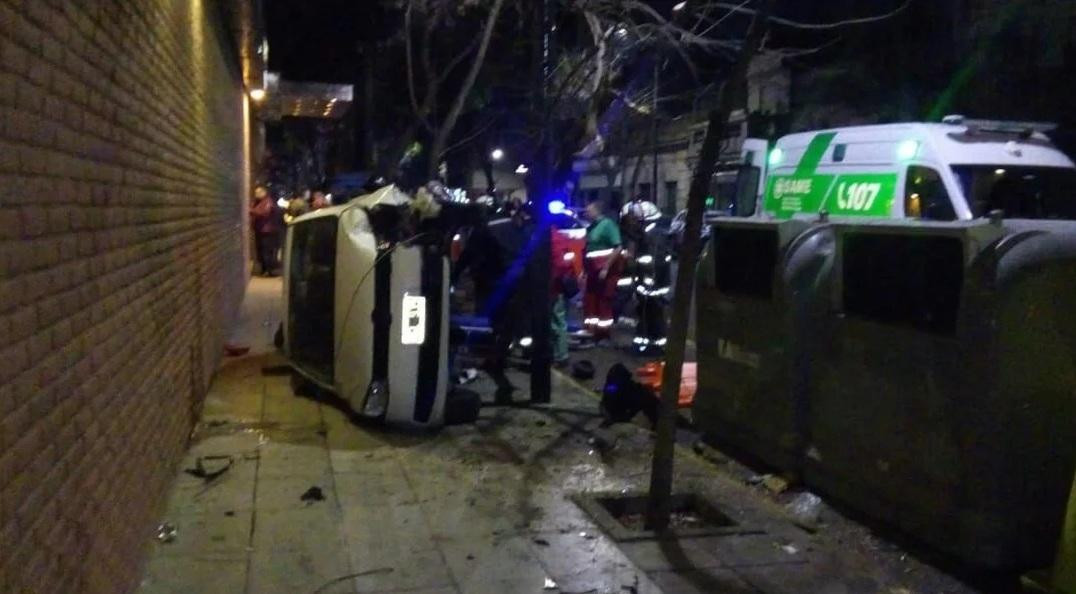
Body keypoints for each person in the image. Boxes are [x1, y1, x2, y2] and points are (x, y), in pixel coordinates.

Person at [453, 197, 534, 402]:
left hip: (492, 282)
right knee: (508, 322)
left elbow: (468, 256)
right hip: (513, 280)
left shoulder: (484, 229)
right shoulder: (513, 226)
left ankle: (495, 356)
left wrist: (452, 277)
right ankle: (500, 354)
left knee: (496, 322)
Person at [582, 197, 622, 341]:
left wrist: (606, 267)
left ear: (597, 211)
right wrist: (585, 271)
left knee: (604, 302)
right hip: (593, 270)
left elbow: (617, 247)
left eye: (589, 210)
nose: (586, 212)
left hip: (605, 271)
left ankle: (604, 335)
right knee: (591, 300)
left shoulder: (607, 225)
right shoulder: (592, 226)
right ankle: (592, 331)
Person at [249, 186, 281, 276]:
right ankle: (264, 269)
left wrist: (251, 210)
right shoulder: (258, 202)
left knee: (266, 251)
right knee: (261, 251)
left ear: (264, 192)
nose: (256, 194)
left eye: (258, 192)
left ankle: (269, 270)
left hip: (267, 231)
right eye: (255, 193)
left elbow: (264, 213)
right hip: (260, 230)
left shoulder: (267, 201)